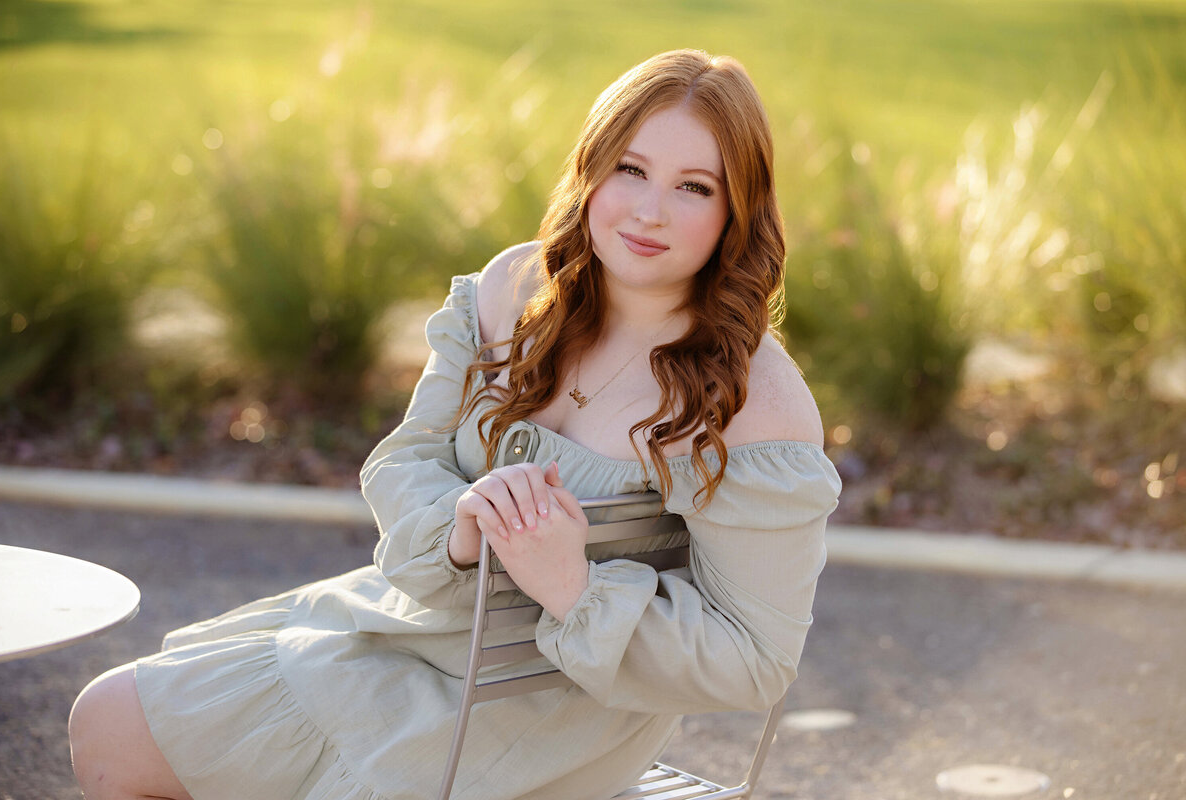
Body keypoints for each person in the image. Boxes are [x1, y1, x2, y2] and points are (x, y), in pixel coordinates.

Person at [68, 48, 841, 800]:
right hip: (405, 626)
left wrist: (575, 587)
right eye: (630, 169)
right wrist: (463, 529)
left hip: (550, 709)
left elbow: (756, 660)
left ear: (737, 210)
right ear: (591, 169)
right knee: (106, 723)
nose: (648, 210)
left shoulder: (754, 401)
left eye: (694, 187)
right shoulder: (514, 289)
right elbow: (405, 460)